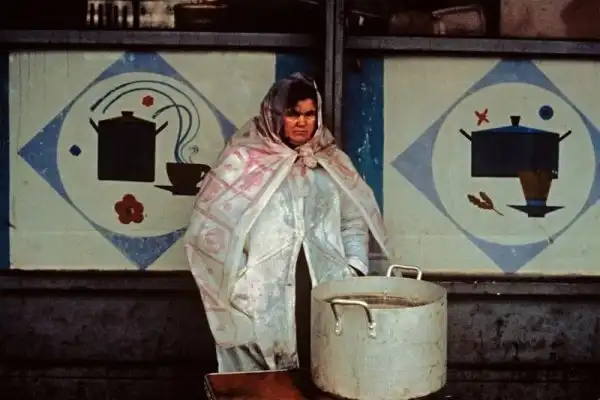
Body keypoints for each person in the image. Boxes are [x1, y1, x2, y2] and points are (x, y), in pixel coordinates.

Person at [184, 73, 390, 373]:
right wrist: (241, 282)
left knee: (328, 372)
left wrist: (354, 268)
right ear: (275, 114)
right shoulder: (243, 162)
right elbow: (208, 229)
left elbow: (352, 220)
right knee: (267, 380)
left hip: (326, 289)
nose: (302, 122)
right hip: (263, 293)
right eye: (293, 114)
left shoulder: (330, 161)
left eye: (309, 114)